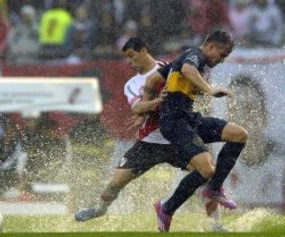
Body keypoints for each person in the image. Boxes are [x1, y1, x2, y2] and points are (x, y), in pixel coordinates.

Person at [74, 37, 228, 231]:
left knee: (206, 173)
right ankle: (100, 209)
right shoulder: (131, 84)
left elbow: (191, 81)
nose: (129, 63)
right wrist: (154, 104)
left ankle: (215, 224)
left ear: (144, 50)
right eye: (127, 59)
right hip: (149, 142)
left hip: (176, 138)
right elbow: (137, 107)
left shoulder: (168, 66)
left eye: (131, 56)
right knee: (116, 183)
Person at [142, 29, 248, 232]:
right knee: (206, 169)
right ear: (210, 46)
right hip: (174, 123)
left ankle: (213, 189)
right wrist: (210, 89)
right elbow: (188, 70)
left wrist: (148, 106)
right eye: (222, 55)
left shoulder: (185, 60)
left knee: (239, 135)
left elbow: (151, 80)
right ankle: (167, 207)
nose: (222, 60)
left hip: (189, 119)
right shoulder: (195, 55)